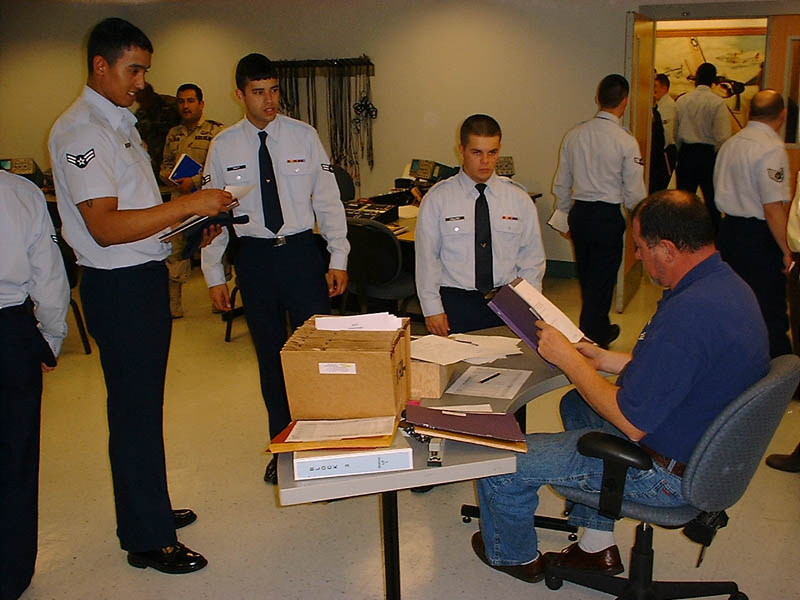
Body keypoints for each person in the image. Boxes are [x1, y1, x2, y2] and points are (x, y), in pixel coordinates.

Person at [472, 190, 769, 584]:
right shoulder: (723, 286)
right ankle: (596, 547)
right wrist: (604, 359)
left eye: (641, 247)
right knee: (578, 405)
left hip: (666, 475)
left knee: (501, 462)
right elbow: (689, 367)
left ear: (667, 249)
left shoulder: (689, 314)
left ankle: (514, 556)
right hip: (699, 445)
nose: (638, 256)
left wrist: (569, 359)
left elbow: (631, 422)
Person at [48, 17, 232, 574]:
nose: (142, 82)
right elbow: (105, 226)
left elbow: (138, 214)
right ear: (100, 65)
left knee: (145, 409)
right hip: (119, 287)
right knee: (132, 412)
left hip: (142, 278)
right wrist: (189, 204)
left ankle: (147, 506)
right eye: (134, 70)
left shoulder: (119, 123)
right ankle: (146, 539)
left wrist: (187, 225)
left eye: (145, 71)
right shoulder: (83, 131)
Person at [201, 53, 349, 484]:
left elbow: (328, 201)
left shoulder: (304, 136)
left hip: (301, 254)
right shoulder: (224, 146)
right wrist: (214, 274)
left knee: (318, 356)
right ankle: (284, 447)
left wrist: (338, 256)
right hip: (255, 259)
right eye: (258, 92)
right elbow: (215, 216)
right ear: (239, 94)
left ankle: (324, 447)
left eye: (274, 90)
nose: (269, 100)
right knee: (271, 359)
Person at [0, 171, 69, 600]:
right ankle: (10, 573)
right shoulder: (18, 192)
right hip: (9, 332)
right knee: (15, 456)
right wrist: (50, 338)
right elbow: (49, 276)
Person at [415, 114, 546, 336]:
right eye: (476, 152)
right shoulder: (438, 199)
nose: (485, 161)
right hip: (456, 302)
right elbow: (427, 260)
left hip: (508, 300)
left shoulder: (518, 199)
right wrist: (432, 309)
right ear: (461, 150)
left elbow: (532, 260)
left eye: (492, 152)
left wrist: (530, 306)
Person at [551, 74, 646, 349]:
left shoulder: (575, 135)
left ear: (598, 99)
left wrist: (564, 216)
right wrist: (641, 225)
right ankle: (590, 339)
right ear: (625, 102)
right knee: (602, 282)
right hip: (607, 218)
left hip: (580, 215)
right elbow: (634, 192)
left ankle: (599, 330)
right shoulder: (625, 141)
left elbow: (562, 182)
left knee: (587, 277)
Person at [714, 89, 792, 359]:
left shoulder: (731, 144)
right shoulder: (771, 148)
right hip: (758, 239)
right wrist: (787, 251)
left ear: (750, 112)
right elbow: (772, 208)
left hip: (728, 233)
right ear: (783, 114)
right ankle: (782, 372)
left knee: (733, 304)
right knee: (769, 309)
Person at [159, 83, 225, 318]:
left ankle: (220, 299)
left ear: (201, 104)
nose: (185, 106)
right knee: (175, 252)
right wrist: (170, 178)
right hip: (179, 202)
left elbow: (221, 168)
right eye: (181, 101)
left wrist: (195, 181)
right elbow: (165, 165)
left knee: (214, 246)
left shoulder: (216, 132)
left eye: (190, 101)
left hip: (207, 201)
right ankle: (174, 306)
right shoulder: (173, 134)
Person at [674, 62, 731, 231]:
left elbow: (675, 132)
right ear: (714, 80)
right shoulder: (717, 103)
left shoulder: (682, 100)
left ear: (696, 78)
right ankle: (714, 241)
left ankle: (682, 237)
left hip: (686, 153)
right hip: (708, 156)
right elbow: (723, 136)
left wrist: (680, 150)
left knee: (683, 203)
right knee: (712, 203)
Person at [135, 82, 180, 179]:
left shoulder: (172, 106)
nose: (142, 104)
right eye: (139, 101)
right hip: (156, 162)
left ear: (150, 95)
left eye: (143, 100)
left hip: (176, 159)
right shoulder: (140, 114)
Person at [650, 73, 677, 193]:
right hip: (658, 152)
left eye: (655, 86)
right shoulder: (658, 105)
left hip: (665, 153)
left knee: (659, 188)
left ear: (664, 88)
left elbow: (667, 134)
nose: (653, 89)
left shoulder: (669, 106)